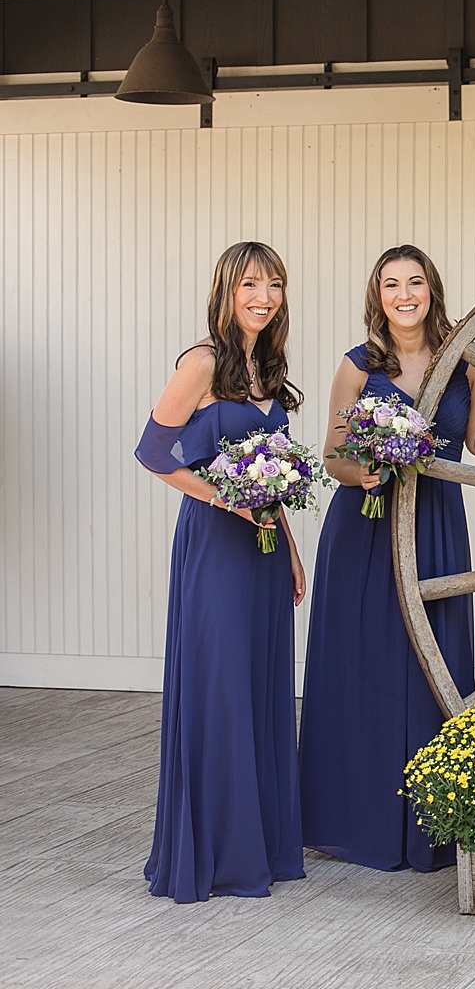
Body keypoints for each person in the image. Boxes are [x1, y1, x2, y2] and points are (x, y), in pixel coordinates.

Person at [298, 244, 475, 871]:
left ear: (432, 289)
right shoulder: (356, 366)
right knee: (365, 662)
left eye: (415, 282)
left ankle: (435, 825)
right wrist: (372, 469)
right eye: (391, 284)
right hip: (366, 529)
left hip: (436, 527)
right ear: (378, 296)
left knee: (435, 664)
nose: (404, 294)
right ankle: (358, 819)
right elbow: (332, 455)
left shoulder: (464, 360)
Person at [135, 241, 307, 902]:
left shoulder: (267, 366)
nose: (263, 296)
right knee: (223, 690)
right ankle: (215, 856)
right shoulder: (202, 361)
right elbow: (153, 452)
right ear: (226, 291)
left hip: (264, 549)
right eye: (250, 284)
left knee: (262, 689)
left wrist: (289, 545)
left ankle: (257, 845)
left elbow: (274, 473)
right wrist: (228, 499)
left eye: (274, 285)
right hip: (215, 543)